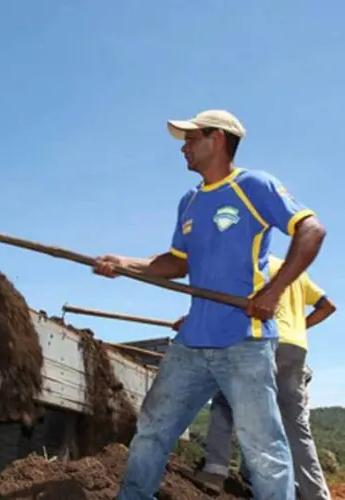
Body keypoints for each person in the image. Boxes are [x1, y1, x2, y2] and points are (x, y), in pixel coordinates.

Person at [91, 109, 327, 500]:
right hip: (191, 343)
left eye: (190, 137)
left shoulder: (253, 185)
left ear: (216, 139)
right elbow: (176, 264)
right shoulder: (189, 201)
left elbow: (311, 229)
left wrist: (273, 291)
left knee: (264, 450)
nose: (183, 146)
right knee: (152, 427)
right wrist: (125, 263)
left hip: (244, 344)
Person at [188, 254, 336, 499]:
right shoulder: (293, 270)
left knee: (225, 403)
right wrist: (297, 327)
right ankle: (316, 495)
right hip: (294, 349)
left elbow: (223, 310)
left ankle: (215, 471)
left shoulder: (250, 268)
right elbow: (328, 306)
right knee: (295, 425)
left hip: (260, 343)